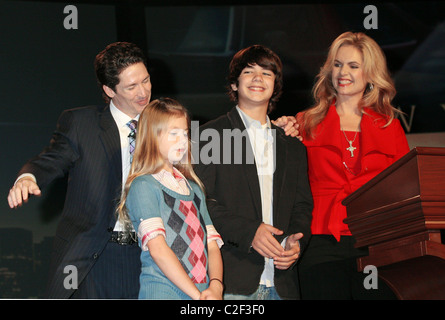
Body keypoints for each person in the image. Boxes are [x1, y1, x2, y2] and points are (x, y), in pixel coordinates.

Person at [6, 42, 151, 298]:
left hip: (151, 254)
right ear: (109, 90)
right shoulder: (81, 124)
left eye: (146, 80)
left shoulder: (165, 123)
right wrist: (28, 177)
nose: (143, 92)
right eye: (131, 86)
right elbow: (51, 159)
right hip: (97, 255)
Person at [294, 32, 410, 299]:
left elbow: (403, 189)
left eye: (353, 66)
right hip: (321, 240)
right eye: (337, 64)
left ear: (370, 74)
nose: (342, 72)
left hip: (376, 242)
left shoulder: (388, 125)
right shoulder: (305, 122)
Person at [194, 45, 313, 300]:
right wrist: (250, 232)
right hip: (232, 282)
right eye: (249, 72)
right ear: (235, 84)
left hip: (284, 285)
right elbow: (200, 201)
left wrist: (296, 241)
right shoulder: (210, 136)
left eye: (267, 73)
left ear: (275, 86)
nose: (258, 78)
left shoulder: (292, 144)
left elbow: (302, 205)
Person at [117, 98, 224, 300]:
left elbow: (212, 244)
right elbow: (158, 249)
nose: (183, 140)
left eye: (185, 133)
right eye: (173, 133)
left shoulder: (193, 188)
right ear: (151, 137)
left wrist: (216, 286)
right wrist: (197, 295)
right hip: (163, 292)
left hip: (203, 292)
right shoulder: (144, 185)